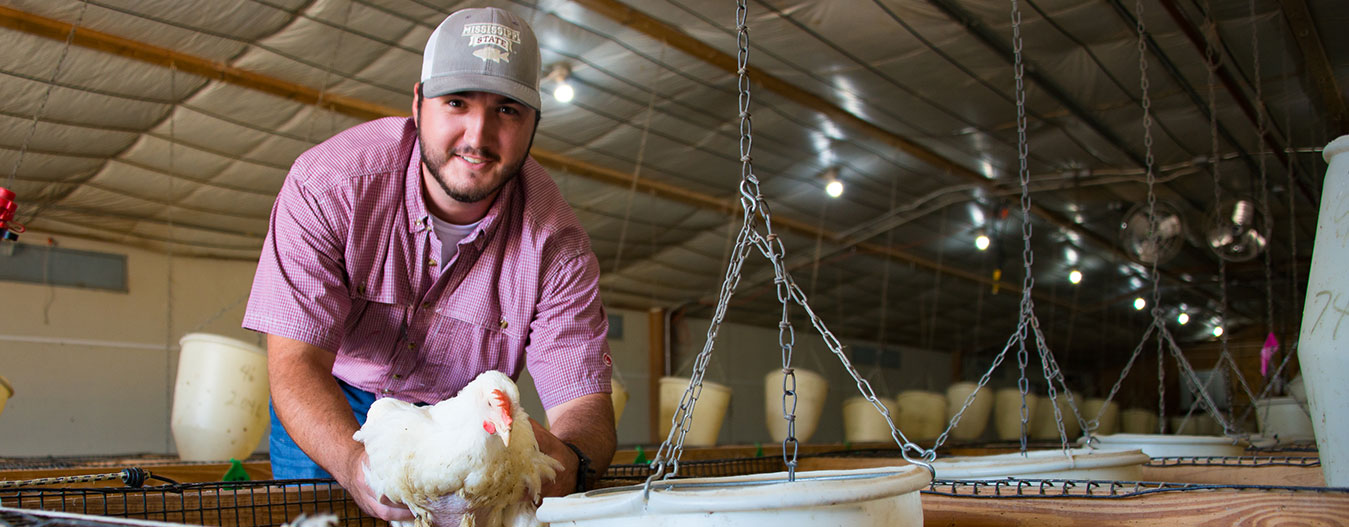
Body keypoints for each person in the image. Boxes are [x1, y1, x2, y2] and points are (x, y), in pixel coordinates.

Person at [242, 6, 615, 521]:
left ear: (534, 123)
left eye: (507, 109)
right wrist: (354, 465)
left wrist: (570, 461)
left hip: (463, 422)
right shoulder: (328, 186)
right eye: (456, 102)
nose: (477, 136)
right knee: (319, 518)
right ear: (418, 104)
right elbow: (295, 364)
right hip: (336, 394)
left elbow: (583, 406)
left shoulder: (555, 244)